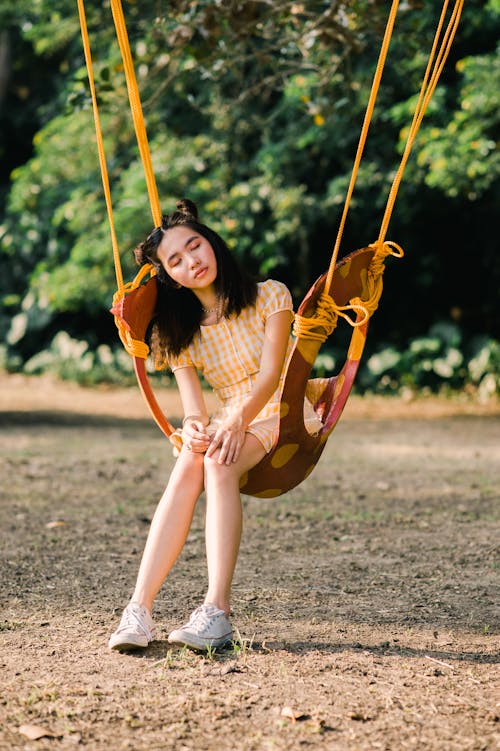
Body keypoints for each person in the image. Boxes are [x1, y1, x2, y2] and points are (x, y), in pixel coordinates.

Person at [108, 198, 317, 652]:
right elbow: (194, 409)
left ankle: (216, 611)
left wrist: (235, 423)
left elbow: (269, 375)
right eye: (176, 261)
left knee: (219, 464)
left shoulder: (270, 295)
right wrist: (197, 427)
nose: (191, 262)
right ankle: (138, 610)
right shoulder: (179, 331)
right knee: (189, 461)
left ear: (213, 244)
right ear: (171, 277)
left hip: (284, 407)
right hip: (230, 418)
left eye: (195, 246)